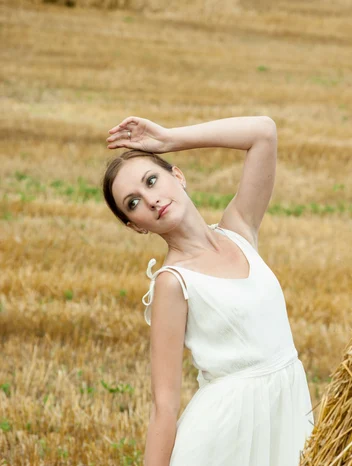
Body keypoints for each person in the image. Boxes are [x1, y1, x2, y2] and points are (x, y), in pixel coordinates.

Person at [101, 115, 314, 466]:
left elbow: (264, 132)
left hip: (286, 415)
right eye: (133, 202)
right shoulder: (172, 283)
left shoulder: (239, 230)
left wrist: (168, 139)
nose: (151, 200)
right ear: (134, 227)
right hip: (226, 438)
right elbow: (164, 405)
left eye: (152, 181)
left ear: (178, 176)